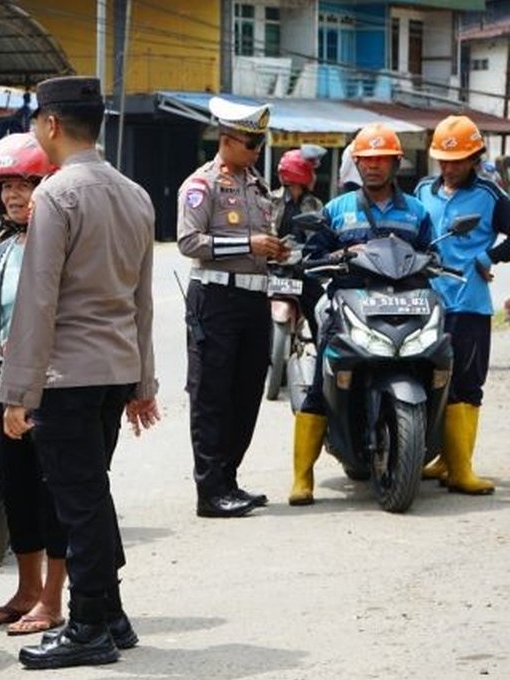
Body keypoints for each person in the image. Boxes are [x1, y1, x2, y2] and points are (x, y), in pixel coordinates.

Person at [0, 76, 160, 670]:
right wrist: (144, 383)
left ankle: (89, 623)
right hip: (115, 369)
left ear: (52, 126)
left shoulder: (57, 195)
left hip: (67, 374)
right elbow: (141, 299)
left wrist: (17, 392)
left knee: (79, 501)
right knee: (93, 494)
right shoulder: (135, 194)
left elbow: (37, 302)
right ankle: (110, 614)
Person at [288, 124, 436, 505]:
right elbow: (313, 254)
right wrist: (332, 257)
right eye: (366, 160)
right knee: (323, 378)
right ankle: (302, 477)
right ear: (356, 164)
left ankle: (445, 456)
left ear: (395, 163)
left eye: (380, 160)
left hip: (407, 303)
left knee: (439, 363)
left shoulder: (417, 212)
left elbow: (434, 255)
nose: (373, 167)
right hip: (351, 304)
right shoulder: (337, 210)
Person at [0, 133, 68, 636]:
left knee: (53, 495)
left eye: (26, 185)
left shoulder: (61, 248)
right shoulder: (5, 249)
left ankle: (52, 598)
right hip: (7, 392)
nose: (13, 196)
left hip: (49, 389)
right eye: (6, 187)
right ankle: (26, 590)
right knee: (19, 493)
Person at [177, 96, 287, 518]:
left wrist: (274, 250)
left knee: (246, 393)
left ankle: (229, 479)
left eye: (260, 143)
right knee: (212, 395)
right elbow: (189, 242)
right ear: (226, 140)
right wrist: (247, 244)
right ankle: (210, 491)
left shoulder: (258, 187)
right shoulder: (202, 185)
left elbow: (263, 242)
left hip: (254, 296)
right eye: (250, 142)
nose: (257, 150)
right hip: (216, 297)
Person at [414, 115, 510, 495]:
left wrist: (489, 257)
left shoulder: (490, 195)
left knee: (466, 384)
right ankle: (442, 458)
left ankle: (462, 468)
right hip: (424, 302)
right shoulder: (422, 190)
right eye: (444, 160)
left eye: (458, 160)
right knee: (426, 379)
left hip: (468, 304)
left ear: (475, 158)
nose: (450, 168)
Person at [272, 146, 327, 336]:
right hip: (270, 268)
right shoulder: (270, 200)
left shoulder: (315, 204)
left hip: (301, 270)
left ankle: (322, 355)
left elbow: (319, 238)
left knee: (323, 311)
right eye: (310, 171)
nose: (313, 176)